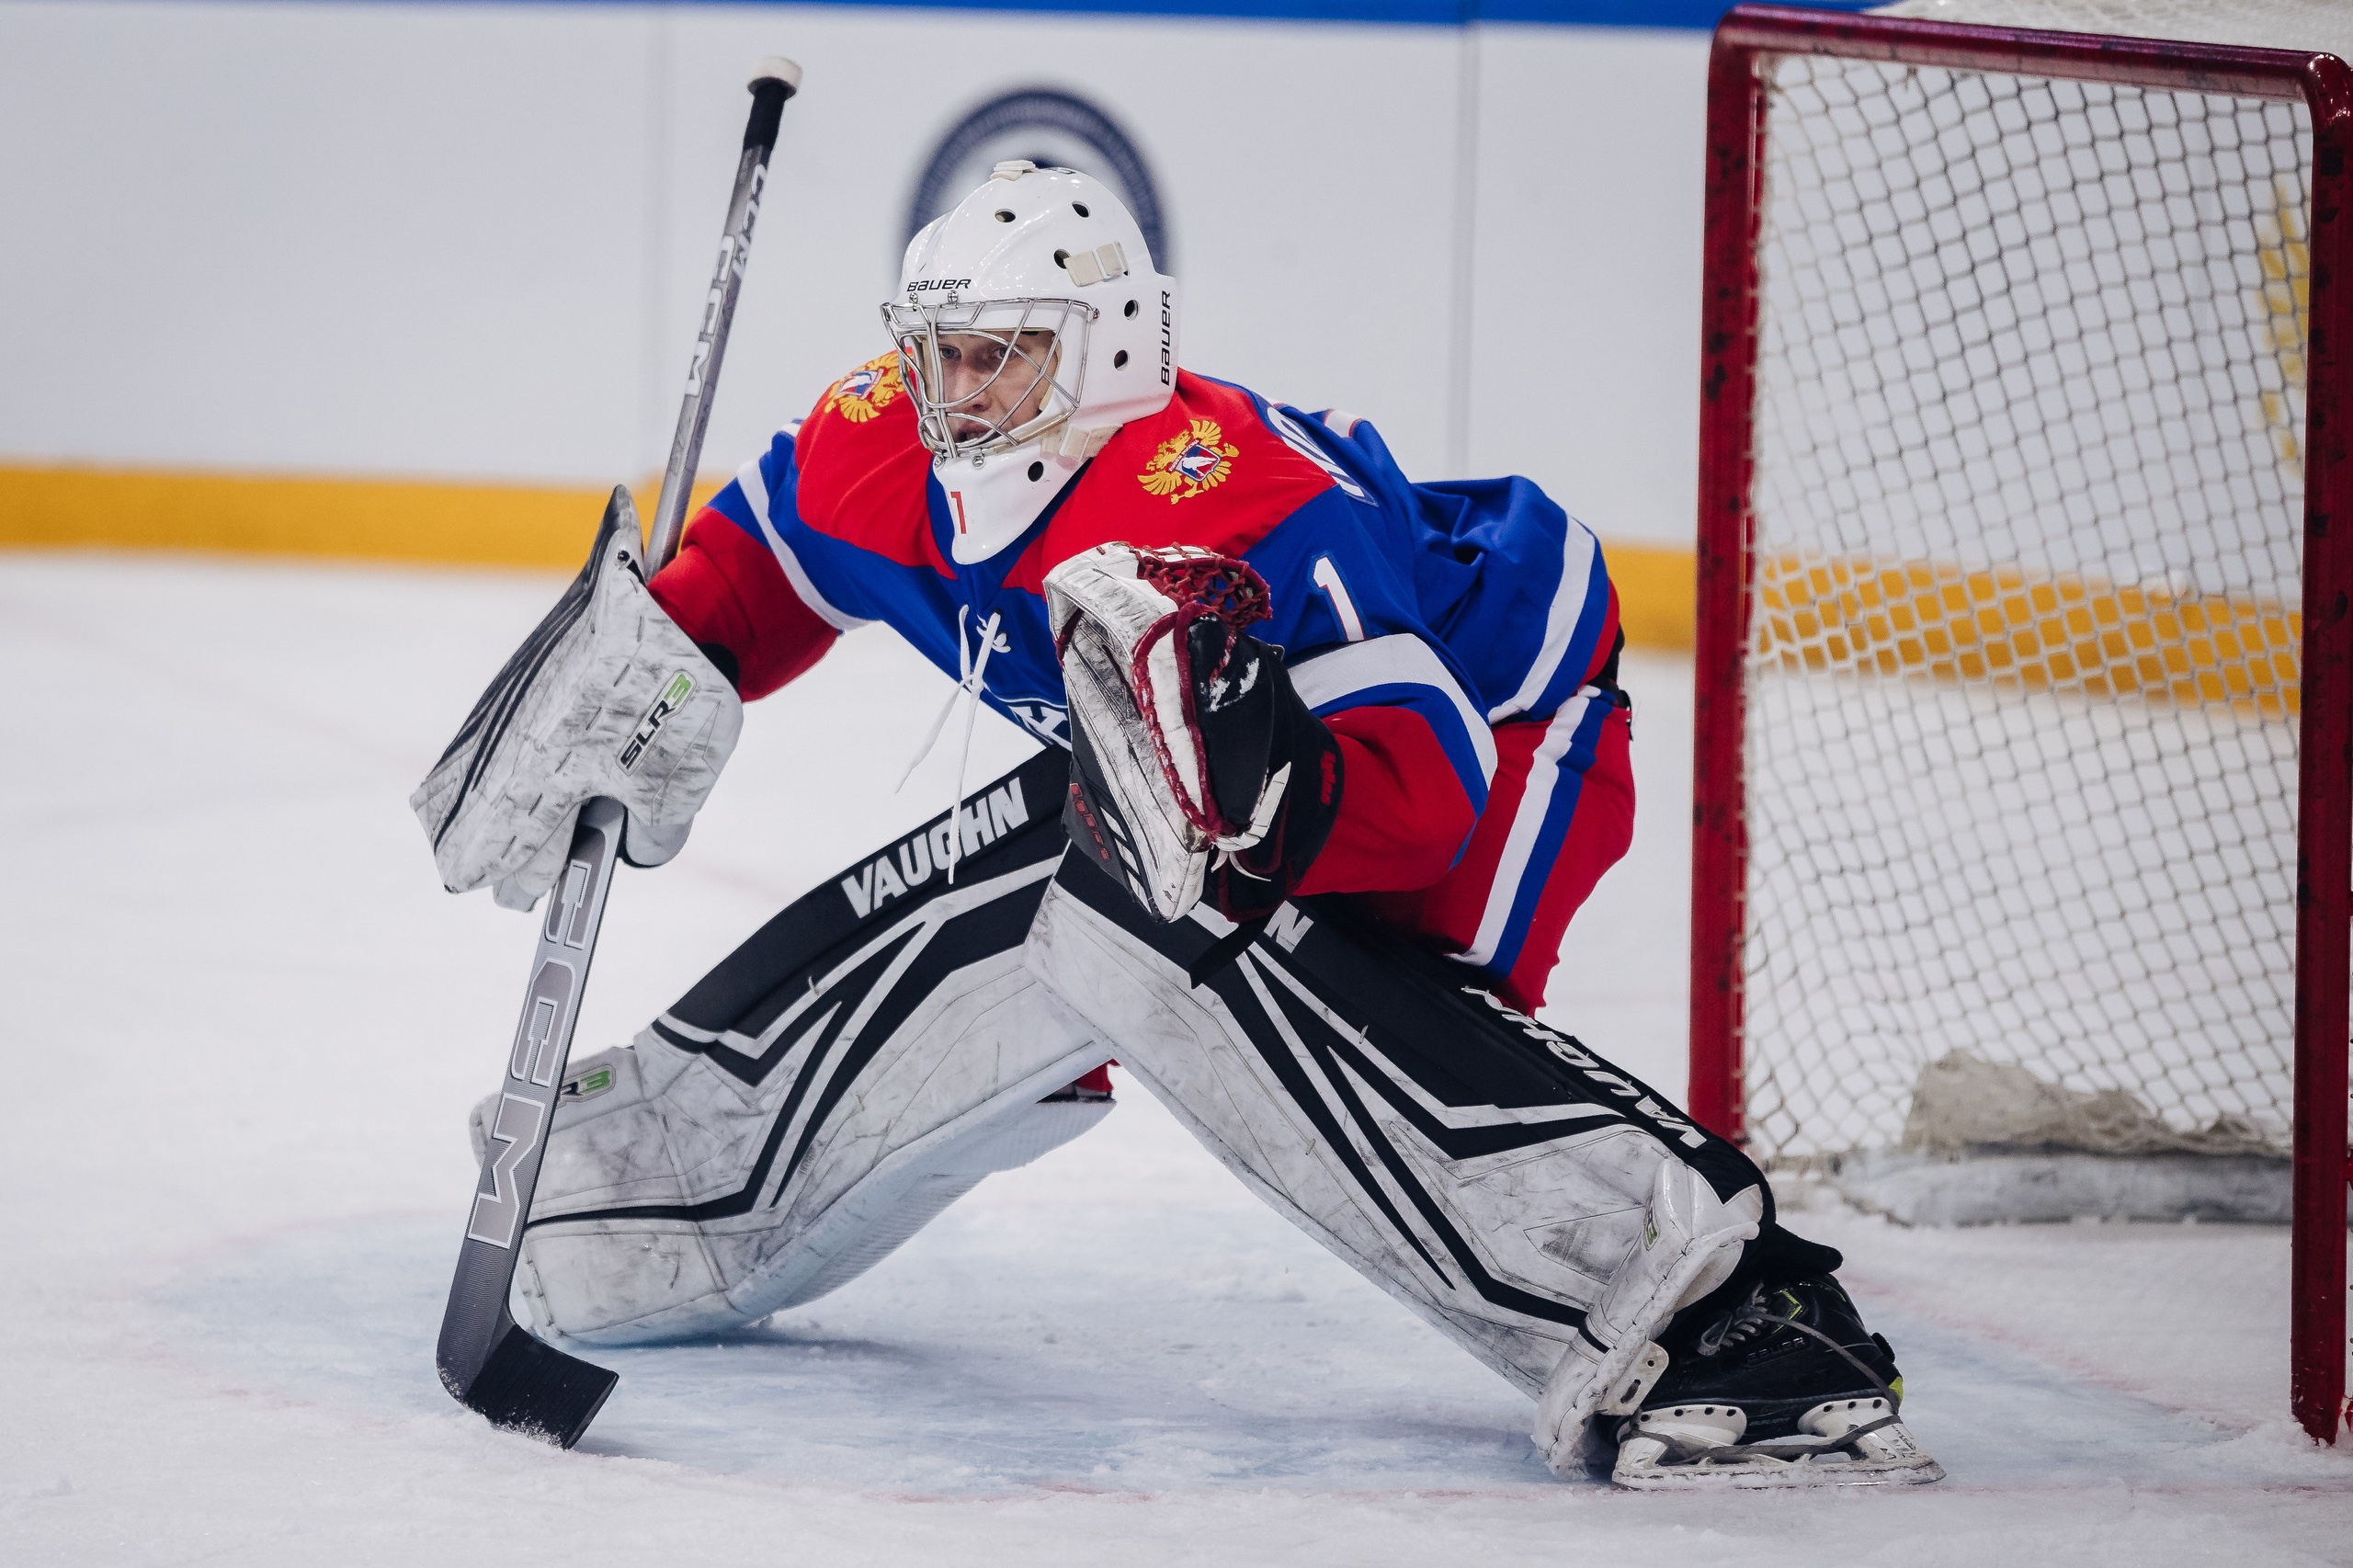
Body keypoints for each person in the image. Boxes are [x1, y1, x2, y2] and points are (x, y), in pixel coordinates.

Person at [411, 162, 1941, 1488]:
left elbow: (1425, 791)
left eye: (1001, 358)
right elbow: (759, 568)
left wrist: (1267, 798)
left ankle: (1722, 1306)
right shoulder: (884, 435)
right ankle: (686, 1165)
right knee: (1102, 862)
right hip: (1283, 769)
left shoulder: (1243, 508)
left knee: (1214, 940)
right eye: (939, 353)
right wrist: (664, 657)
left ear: (1109, 350)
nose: (956, 395)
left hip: (1507, 721)